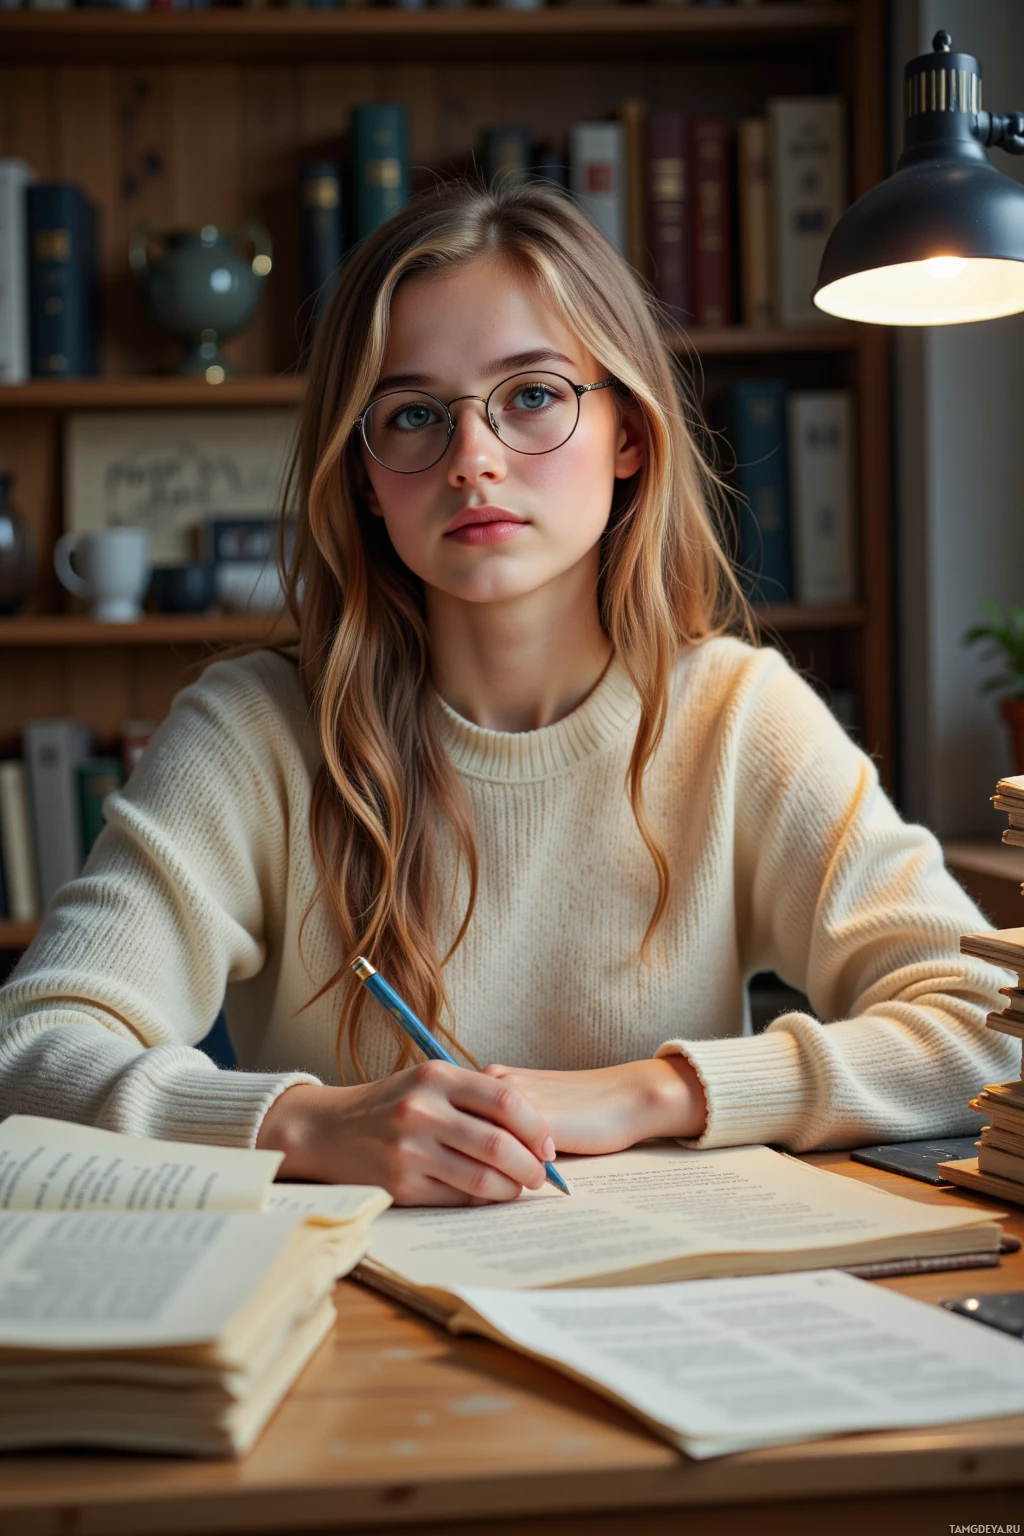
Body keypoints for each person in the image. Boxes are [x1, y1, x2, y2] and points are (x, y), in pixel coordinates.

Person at [0, 181, 1015, 1206]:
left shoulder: (736, 716)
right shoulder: (253, 732)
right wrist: (303, 1123)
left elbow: (986, 1028)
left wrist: (647, 1094)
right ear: (363, 475)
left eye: (531, 394)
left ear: (629, 434)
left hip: (675, 1306)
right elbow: (30, 1051)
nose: (472, 460)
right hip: (356, 1331)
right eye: (411, 416)